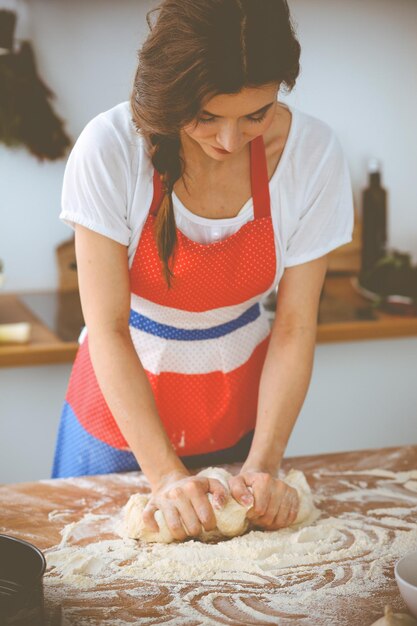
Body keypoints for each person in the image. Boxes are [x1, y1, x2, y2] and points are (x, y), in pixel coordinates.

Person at [51, 0, 354, 542]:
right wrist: (165, 475)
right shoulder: (111, 147)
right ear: (169, 95)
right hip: (118, 419)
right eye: (206, 116)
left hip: (238, 416)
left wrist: (263, 466)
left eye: (255, 115)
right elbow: (109, 329)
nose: (230, 142)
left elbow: (293, 327)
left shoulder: (313, 154)